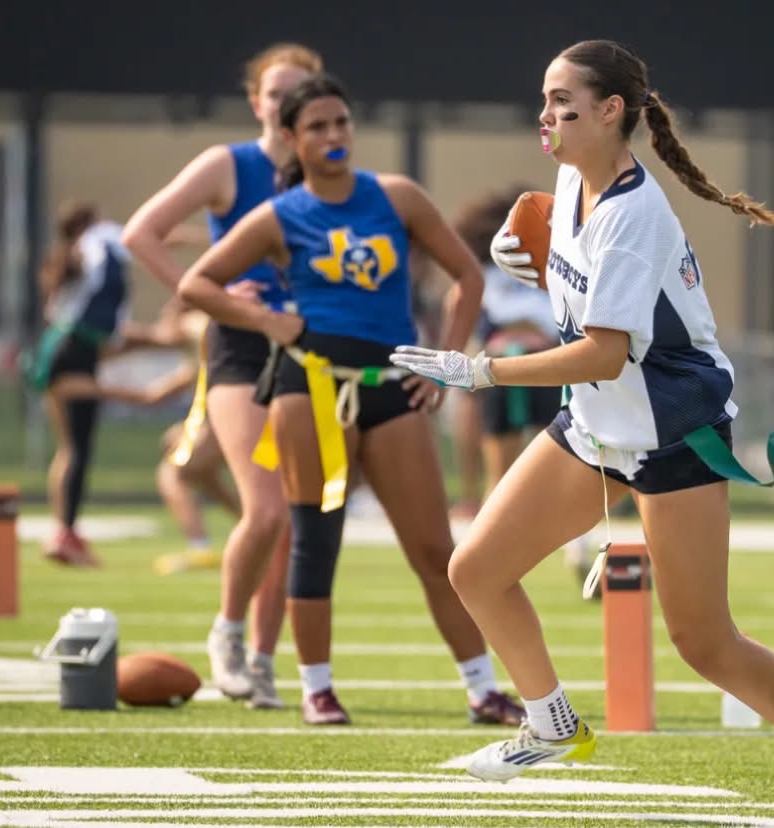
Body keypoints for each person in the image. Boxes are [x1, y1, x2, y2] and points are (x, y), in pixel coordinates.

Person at [390, 40, 774, 821]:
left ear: (612, 111)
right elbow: (590, 301)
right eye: (545, 100)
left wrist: (478, 371)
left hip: (675, 432)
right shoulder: (571, 180)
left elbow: (606, 353)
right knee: (475, 568)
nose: (544, 116)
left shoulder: (636, 213)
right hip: (597, 425)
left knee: (703, 641)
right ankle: (550, 724)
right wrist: (533, 259)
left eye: (563, 103)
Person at [176, 72, 525, 728]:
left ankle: (483, 690)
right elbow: (199, 285)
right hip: (308, 387)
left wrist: (447, 366)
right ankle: (317, 689)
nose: (333, 136)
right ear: (290, 139)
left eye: (341, 123)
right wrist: (265, 322)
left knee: (434, 549)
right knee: (315, 539)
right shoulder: (277, 215)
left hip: (392, 386)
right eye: (316, 127)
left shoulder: (395, 197)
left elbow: (468, 277)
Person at [123, 43, 323, 709]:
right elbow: (141, 232)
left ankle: (263, 662)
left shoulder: (328, 172)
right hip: (240, 347)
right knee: (263, 509)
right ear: (257, 101)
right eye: (277, 92)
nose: (288, 103)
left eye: (303, 93)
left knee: (295, 521)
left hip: (310, 350)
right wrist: (209, 294)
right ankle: (228, 634)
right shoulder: (227, 164)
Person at [25, 202, 190, 566]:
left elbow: (111, 339)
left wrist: (158, 342)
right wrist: (207, 237)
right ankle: (65, 534)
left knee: (70, 448)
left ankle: (63, 532)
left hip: (65, 344)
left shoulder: (75, 255)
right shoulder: (101, 236)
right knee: (77, 449)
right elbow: (151, 234)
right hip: (72, 349)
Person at [453, 187, 562, 497]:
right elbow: (461, 306)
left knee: (550, 463)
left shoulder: (551, 267)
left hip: (538, 362)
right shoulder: (486, 270)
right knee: (504, 472)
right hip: (509, 365)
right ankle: (481, 508)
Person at [153, 305, 242, 575]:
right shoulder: (205, 346)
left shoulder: (196, 323)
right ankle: (264, 531)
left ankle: (199, 548)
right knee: (204, 475)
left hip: (231, 414)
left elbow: (168, 334)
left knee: (173, 473)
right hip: (238, 413)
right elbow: (165, 389)